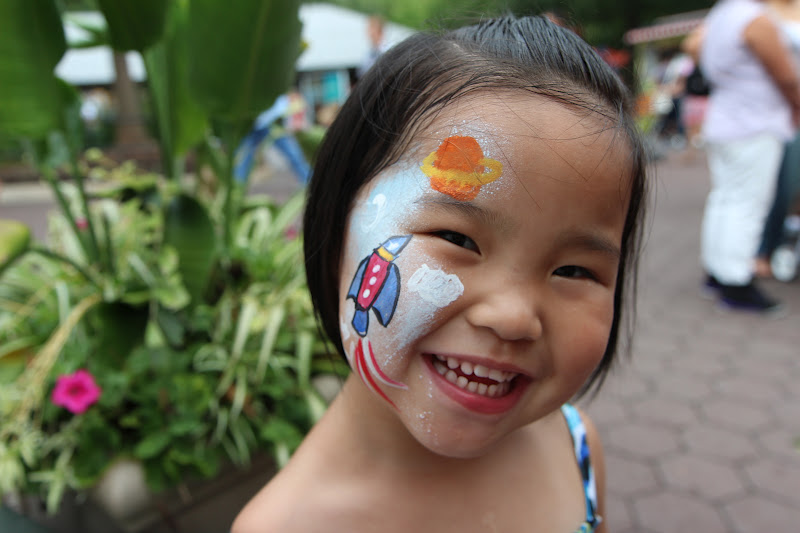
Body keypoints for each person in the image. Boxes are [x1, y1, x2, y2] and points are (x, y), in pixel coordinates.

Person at [232, 14, 647, 533]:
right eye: (456, 239)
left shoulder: (576, 446)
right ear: (336, 230)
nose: (513, 317)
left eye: (574, 270)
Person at [698, 0, 800, 313]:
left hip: (725, 120)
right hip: (755, 125)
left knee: (725, 200)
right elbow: (787, 78)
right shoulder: (756, 20)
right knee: (748, 205)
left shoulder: (721, 14)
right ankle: (736, 282)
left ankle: (718, 272)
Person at [754, 0, 800, 278]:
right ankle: (764, 250)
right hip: (784, 113)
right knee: (783, 184)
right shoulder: (760, 12)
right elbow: (696, 45)